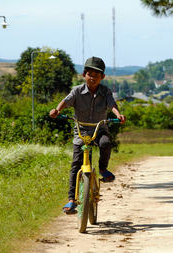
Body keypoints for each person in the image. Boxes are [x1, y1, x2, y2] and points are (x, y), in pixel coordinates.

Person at [49, 56, 127, 214]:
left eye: (97, 75)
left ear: (102, 77)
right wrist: (57, 111)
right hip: (82, 131)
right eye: (90, 74)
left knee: (105, 143)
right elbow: (66, 101)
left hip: (99, 129)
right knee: (76, 164)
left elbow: (112, 104)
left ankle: (103, 170)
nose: (93, 78)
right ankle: (71, 200)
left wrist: (118, 115)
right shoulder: (77, 90)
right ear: (84, 75)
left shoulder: (105, 91)